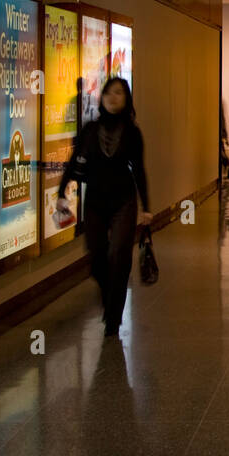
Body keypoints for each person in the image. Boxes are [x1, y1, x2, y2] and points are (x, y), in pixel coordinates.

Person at [58, 77, 152, 337]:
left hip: (124, 200)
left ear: (126, 98)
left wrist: (146, 207)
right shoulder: (90, 129)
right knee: (97, 257)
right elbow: (74, 161)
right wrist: (62, 191)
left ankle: (113, 316)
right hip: (96, 201)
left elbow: (139, 169)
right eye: (109, 92)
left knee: (120, 256)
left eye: (119, 93)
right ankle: (108, 292)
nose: (113, 97)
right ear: (102, 97)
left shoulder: (132, 132)